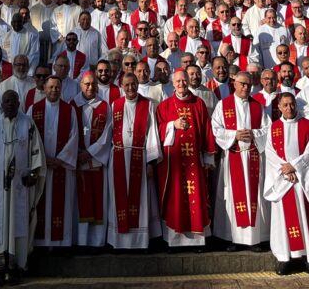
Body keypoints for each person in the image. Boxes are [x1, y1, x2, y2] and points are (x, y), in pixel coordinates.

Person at [0, 89, 46, 286]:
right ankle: (0, 269)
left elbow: (36, 150)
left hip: (20, 186)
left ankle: (16, 268)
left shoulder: (27, 123)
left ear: (18, 103)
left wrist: (34, 173)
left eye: (13, 101)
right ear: (2, 104)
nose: (10, 104)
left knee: (18, 224)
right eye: (6, 101)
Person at [260, 91, 309, 276]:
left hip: (302, 181)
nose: (289, 108)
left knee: (306, 218)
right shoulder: (274, 128)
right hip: (283, 182)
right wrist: (285, 170)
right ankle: (285, 258)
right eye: (285, 105)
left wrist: (294, 167)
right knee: (284, 220)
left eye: (292, 104)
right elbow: (271, 154)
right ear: (279, 107)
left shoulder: (307, 125)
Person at [156, 68, 216, 247]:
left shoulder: (198, 103)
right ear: (172, 84)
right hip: (173, 163)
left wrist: (208, 158)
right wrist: (172, 125)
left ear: (188, 81)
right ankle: (175, 241)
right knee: (175, 198)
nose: (181, 84)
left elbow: (206, 129)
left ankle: (197, 242)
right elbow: (157, 130)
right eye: (178, 81)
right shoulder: (165, 106)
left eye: (184, 80)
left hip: (194, 162)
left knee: (196, 196)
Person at [211, 71, 268, 250]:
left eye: (248, 84)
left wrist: (254, 133)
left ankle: (254, 239)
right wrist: (234, 135)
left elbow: (268, 129)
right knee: (231, 196)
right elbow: (216, 129)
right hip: (233, 156)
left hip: (253, 157)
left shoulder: (258, 106)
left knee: (254, 196)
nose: (245, 87)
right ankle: (232, 238)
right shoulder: (223, 105)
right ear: (234, 84)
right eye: (242, 84)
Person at [106, 71, 161, 250]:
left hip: (140, 158)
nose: (130, 88)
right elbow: (107, 134)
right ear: (122, 86)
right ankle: (118, 242)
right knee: (118, 200)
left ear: (138, 85)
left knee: (140, 202)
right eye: (127, 85)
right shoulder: (115, 105)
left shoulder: (147, 104)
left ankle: (139, 242)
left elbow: (152, 133)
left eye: (133, 84)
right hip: (119, 158)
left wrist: (151, 162)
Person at [29, 73, 79, 248]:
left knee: (61, 205)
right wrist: (42, 159)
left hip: (61, 167)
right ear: (44, 88)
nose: (54, 90)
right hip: (41, 167)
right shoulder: (33, 109)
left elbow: (74, 136)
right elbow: (30, 138)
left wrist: (60, 160)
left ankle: (61, 243)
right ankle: (41, 242)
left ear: (61, 89)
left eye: (57, 87)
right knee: (40, 203)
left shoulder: (69, 110)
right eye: (50, 87)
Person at [75, 71, 112, 248]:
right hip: (77, 161)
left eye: (93, 84)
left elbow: (107, 135)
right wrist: (77, 153)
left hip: (96, 161)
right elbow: (69, 132)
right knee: (80, 202)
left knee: (98, 201)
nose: (90, 87)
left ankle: (97, 243)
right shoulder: (73, 105)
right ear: (81, 85)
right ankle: (81, 241)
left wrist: (89, 153)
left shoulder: (104, 106)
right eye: (87, 84)